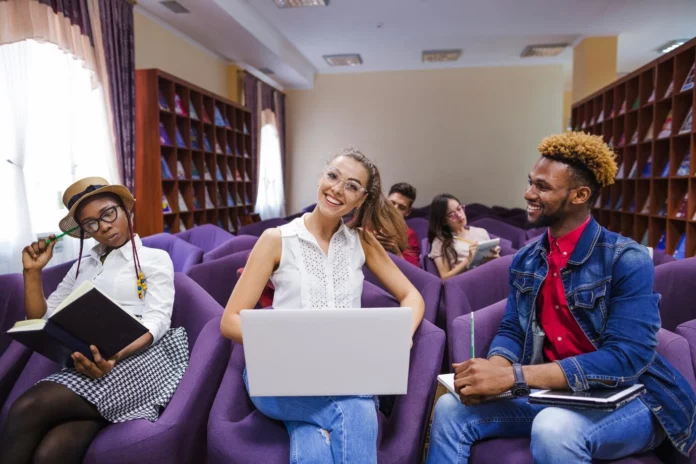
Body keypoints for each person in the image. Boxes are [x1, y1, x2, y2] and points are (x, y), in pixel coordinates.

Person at [426, 132, 696, 463]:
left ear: (580, 195)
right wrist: (493, 371)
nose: (528, 193)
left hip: (631, 398)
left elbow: (626, 359)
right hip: (555, 392)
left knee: (553, 428)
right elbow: (513, 328)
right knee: (450, 407)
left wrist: (513, 377)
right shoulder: (527, 259)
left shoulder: (627, 259)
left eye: (542, 186)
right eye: (530, 182)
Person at [220, 148, 425, 463]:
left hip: (343, 371)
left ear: (361, 199)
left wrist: (401, 334)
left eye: (352, 186)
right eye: (333, 176)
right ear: (321, 176)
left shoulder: (362, 242)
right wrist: (291, 337)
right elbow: (229, 321)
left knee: (315, 440)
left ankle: (317, 429)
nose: (337, 189)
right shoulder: (276, 239)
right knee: (357, 408)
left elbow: (413, 296)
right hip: (278, 374)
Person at [0, 177, 187, 464]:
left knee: (27, 406)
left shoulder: (154, 258)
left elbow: (158, 320)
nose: (103, 226)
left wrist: (115, 354)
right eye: (91, 224)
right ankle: (108, 409)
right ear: (84, 231)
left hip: (140, 361)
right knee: (53, 451)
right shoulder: (81, 267)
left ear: (126, 209)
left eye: (109, 213)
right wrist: (33, 273)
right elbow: (41, 318)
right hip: (88, 363)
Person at [427, 194, 500, 280]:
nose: (459, 215)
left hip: (488, 275)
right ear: (443, 221)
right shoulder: (440, 241)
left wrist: (495, 258)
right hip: (466, 282)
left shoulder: (481, 232)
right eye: (452, 215)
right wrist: (468, 259)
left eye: (459, 209)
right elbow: (444, 278)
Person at [382, 182, 421, 267]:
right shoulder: (367, 220)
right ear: (385, 201)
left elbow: (413, 271)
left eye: (401, 207)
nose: (394, 209)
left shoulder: (409, 235)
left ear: (408, 212)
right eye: (392, 203)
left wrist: (396, 252)